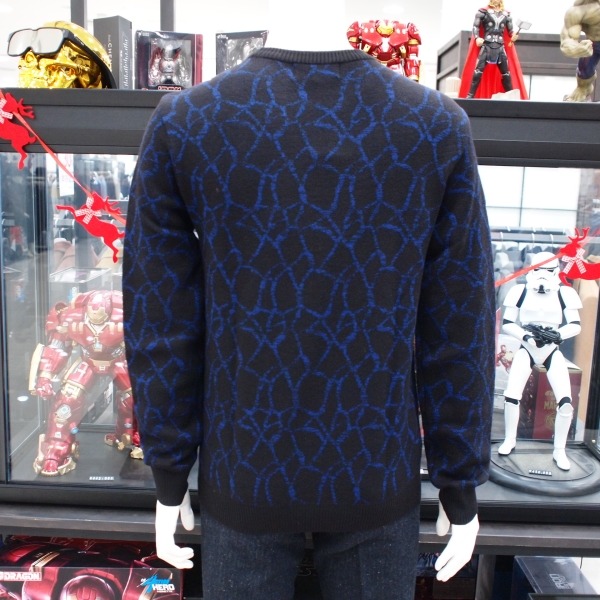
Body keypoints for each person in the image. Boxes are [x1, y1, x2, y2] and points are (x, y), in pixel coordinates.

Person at [122, 1, 495, 598]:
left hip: (246, 466)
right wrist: (460, 481)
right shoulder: (434, 124)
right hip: (373, 468)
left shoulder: (188, 120)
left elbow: (161, 317)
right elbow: (458, 321)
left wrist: (169, 473)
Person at [498, 252, 582, 470]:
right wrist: (526, 337)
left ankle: (559, 449)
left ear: (555, 271)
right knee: (511, 396)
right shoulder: (520, 291)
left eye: (548, 271)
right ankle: (510, 439)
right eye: (538, 270)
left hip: (551, 349)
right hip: (527, 348)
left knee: (565, 402)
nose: (543, 276)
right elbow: (507, 322)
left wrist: (558, 335)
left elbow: (575, 324)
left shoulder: (565, 293)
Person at [459, 0, 528, 99]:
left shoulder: (506, 14)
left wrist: (513, 35)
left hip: (500, 46)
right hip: (487, 45)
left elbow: (510, 31)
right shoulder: (483, 12)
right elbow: (475, 26)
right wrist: (477, 38)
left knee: (506, 74)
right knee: (478, 72)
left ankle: (512, 97)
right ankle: (470, 96)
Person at [560, 0, 600, 102]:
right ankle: (582, 90)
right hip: (594, 43)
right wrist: (575, 48)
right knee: (584, 70)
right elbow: (568, 39)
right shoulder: (579, 11)